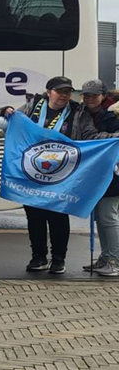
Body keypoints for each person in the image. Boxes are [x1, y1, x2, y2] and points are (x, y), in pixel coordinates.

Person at [0, 75, 113, 274]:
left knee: (58, 216)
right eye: (60, 91)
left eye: (67, 92)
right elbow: (7, 126)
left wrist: (113, 138)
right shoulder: (32, 106)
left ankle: (59, 259)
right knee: (35, 218)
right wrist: (4, 112)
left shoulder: (78, 112)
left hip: (62, 175)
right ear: (49, 92)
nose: (64, 95)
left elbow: (90, 136)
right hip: (32, 173)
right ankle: (38, 257)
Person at [80, 79, 119, 275]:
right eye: (86, 95)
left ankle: (114, 260)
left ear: (103, 96)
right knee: (100, 218)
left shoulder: (113, 114)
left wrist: (103, 138)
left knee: (108, 217)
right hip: (96, 174)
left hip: (113, 174)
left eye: (94, 95)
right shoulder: (84, 114)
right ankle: (106, 257)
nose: (90, 99)